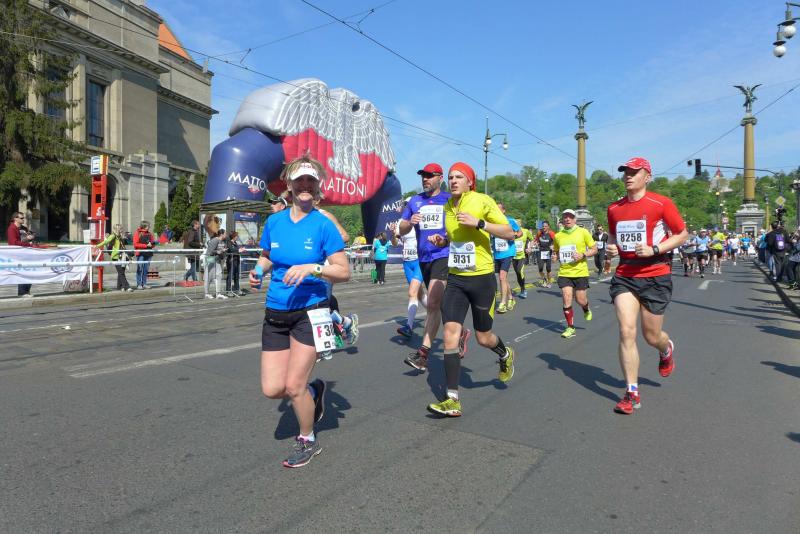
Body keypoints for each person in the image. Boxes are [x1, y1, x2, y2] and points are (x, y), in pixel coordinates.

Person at [249, 156, 350, 467]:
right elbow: (268, 256)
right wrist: (258, 270)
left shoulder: (323, 224)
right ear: (289, 185)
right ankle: (314, 392)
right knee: (272, 389)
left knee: (294, 386)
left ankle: (307, 439)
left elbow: (343, 271)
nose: (305, 185)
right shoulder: (274, 222)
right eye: (299, 180)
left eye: (311, 180)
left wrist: (313, 268)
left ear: (317, 186)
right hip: (276, 311)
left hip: (311, 311)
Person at [426, 162, 516, 417]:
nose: (453, 180)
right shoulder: (447, 206)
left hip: (481, 278)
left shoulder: (482, 200)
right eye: (451, 177)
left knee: (483, 338)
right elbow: (455, 237)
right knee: (450, 334)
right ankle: (452, 399)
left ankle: (505, 353)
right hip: (456, 279)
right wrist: (443, 240)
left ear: (469, 182)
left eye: (459, 177)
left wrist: (480, 224)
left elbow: (509, 232)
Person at [606, 157, 688, 415]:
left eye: (634, 172)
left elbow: (682, 234)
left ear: (647, 176)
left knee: (651, 336)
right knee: (626, 331)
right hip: (625, 274)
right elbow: (612, 236)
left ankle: (666, 349)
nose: (628, 176)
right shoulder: (614, 208)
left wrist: (655, 248)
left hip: (655, 274)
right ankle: (631, 392)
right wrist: (611, 248)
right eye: (626, 172)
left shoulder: (661, 203)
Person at [400, 163, 470, 371]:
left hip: (443, 255)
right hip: (423, 259)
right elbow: (401, 228)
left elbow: (461, 222)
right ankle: (461, 331)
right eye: (423, 176)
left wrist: (446, 237)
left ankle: (423, 354)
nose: (425, 179)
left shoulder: (449, 199)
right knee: (439, 304)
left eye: (430, 176)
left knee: (432, 303)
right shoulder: (415, 201)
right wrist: (410, 222)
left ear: (440, 178)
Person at [553, 209, 597, 339]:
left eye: (570, 217)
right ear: (562, 219)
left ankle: (586, 308)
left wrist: (583, 254)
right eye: (565, 217)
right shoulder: (558, 236)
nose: (567, 219)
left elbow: (594, 249)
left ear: (575, 219)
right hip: (565, 272)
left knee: (580, 299)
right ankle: (570, 327)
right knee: (566, 298)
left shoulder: (583, 232)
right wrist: (555, 256)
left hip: (580, 271)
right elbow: (556, 251)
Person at [391, 216, 427, 338]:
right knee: (420, 295)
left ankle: (409, 327)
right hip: (407, 263)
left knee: (412, 293)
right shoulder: (400, 222)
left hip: (418, 262)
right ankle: (437, 312)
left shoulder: (419, 220)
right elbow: (395, 244)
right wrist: (394, 234)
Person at [492, 203, 521, 313]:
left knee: (502, 277)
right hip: (497, 254)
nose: (497, 211)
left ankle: (503, 303)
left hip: (508, 253)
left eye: (499, 209)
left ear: (504, 211)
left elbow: (520, 232)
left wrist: (513, 236)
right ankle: (511, 298)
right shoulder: (492, 222)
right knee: (503, 278)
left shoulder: (510, 221)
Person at [96, 224, 133, 291]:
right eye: (121, 229)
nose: (122, 230)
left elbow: (128, 242)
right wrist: (97, 246)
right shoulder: (113, 236)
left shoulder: (120, 236)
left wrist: (127, 237)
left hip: (122, 256)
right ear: (117, 229)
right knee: (121, 272)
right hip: (116, 256)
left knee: (121, 272)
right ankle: (127, 286)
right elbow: (106, 241)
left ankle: (120, 286)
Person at [6, 212, 35, 297]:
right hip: (18, 254)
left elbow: (28, 236)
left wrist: (31, 236)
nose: (23, 219)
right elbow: (13, 243)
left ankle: (26, 291)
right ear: (15, 218)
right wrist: (27, 242)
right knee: (23, 272)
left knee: (31, 271)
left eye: (23, 218)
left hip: (26, 252)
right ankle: (22, 292)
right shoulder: (12, 228)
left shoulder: (23, 228)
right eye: (21, 218)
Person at [204, 229, 227, 299]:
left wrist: (222, 253)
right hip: (210, 259)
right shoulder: (215, 240)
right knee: (209, 277)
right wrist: (218, 251)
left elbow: (220, 251)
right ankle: (206, 293)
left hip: (217, 260)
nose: (226, 235)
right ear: (221, 234)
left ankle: (218, 293)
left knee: (219, 275)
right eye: (225, 233)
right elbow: (210, 251)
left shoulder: (222, 241)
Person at [133, 220, 156, 289]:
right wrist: (146, 245)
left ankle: (144, 283)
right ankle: (139, 284)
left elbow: (153, 243)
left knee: (146, 269)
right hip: (140, 253)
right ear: (144, 226)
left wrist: (152, 244)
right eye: (148, 226)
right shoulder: (137, 233)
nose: (149, 227)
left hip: (148, 253)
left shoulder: (150, 234)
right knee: (140, 269)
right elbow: (135, 244)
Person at [512, 223, 531, 298]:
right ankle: (522, 289)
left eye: (518, 223)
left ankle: (523, 290)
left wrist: (529, 247)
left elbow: (532, 239)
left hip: (522, 256)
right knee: (517, 274)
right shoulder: (511, 231)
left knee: (520, 271)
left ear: (520, 224)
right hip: (514, 257)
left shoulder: (525, 231)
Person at [536, 221, 556, 287]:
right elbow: (536, 240)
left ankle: (549, 282)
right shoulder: (539, 233)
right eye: (543, 226)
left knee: (548, 269)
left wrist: (553, 246)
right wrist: (535, 244)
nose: (544, 227)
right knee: (540, 268)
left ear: (548, 227)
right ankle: (544, 279)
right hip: (540, 252)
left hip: (548, 252)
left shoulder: (551, 233)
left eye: (545, 226)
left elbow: (556, 241)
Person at [226, 230, 245, 295]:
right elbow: (231, 250)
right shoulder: (229, 242)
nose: (237, 237)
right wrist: (239, 250)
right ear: (233, 236)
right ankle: (228, 290)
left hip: (236, 260)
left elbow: (236, 250)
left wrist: (240, 250)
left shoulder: (235, 243)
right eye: (236, 236)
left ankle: (237, 289)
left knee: (236, 275)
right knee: (230, 275)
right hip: (231, 261)